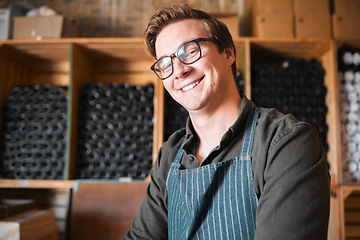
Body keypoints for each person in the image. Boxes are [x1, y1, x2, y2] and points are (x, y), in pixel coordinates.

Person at [124, 4, 330, 240]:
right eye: (165, 64)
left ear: (228, 53)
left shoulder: (286, 142)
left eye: (190, 51)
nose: (179, 71)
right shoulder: (170, 155)